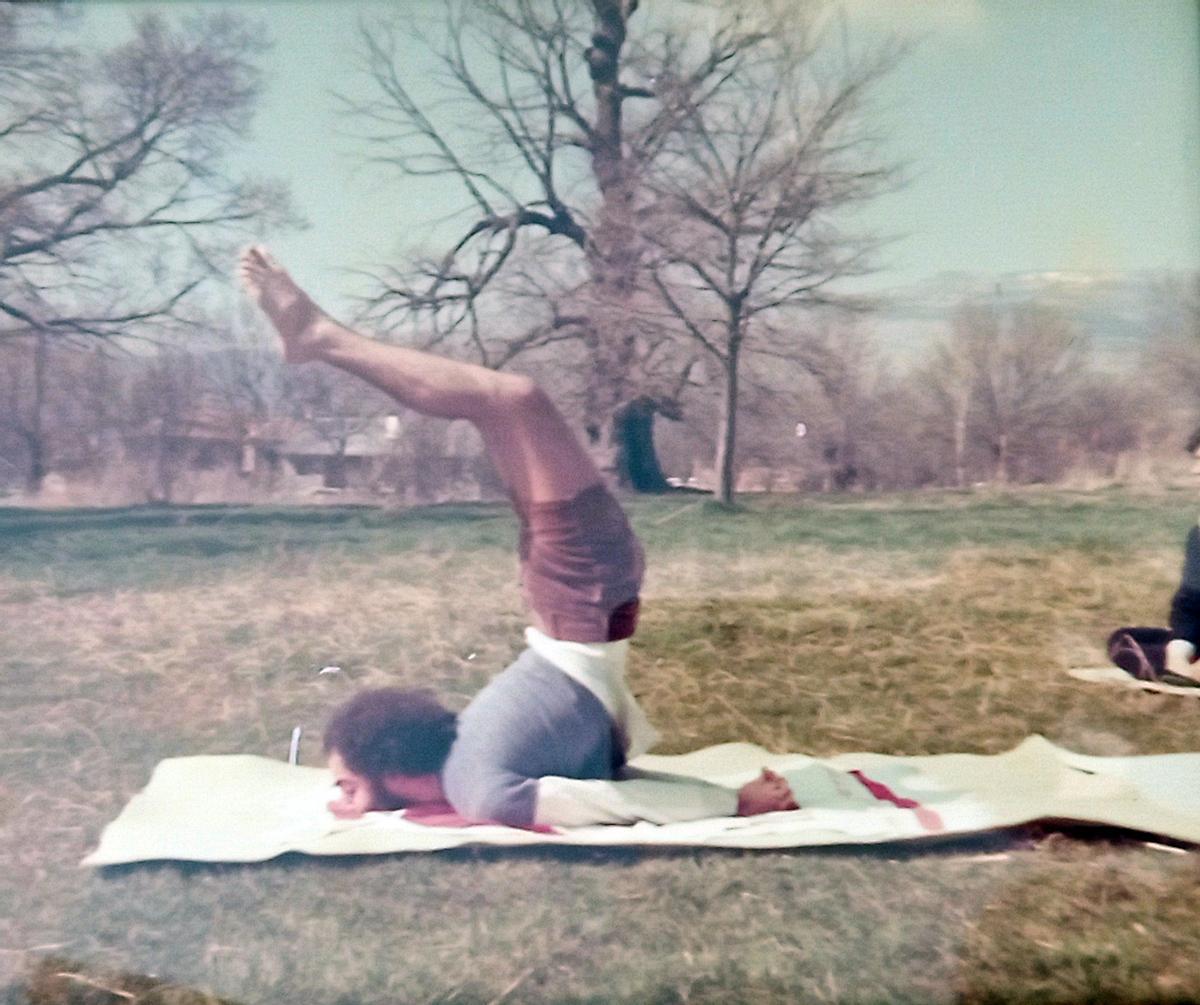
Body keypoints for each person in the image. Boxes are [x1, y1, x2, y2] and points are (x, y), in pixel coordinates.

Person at [238, 246, 799, 828]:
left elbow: (605, 794)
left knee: (511, 400)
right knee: (504, 403)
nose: (340, 793)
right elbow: (611, 798)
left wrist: (728, 800)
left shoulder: (478, 776)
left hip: (583, 590)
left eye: (345, 782)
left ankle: (320, 337)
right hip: (581, 596)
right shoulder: (482, 781)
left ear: (401, 772)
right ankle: (318, 337)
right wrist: (732, 801)